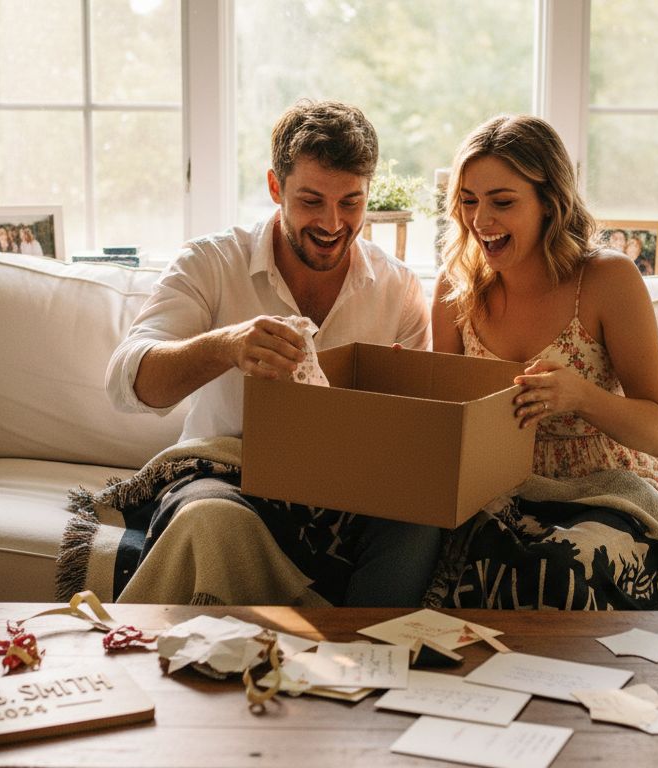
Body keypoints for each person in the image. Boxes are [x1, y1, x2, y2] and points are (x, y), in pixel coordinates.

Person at [106, 100, 437, 607]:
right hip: (227, 475)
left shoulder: (397, 286)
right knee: (211, 521)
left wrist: (394, 396)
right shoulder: (210, 262)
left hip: (350, 487)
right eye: (311, 201)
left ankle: (365, 667)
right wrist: (226, 345)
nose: (332, 223)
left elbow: (416, 440)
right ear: (275, 187)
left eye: (351, 203)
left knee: (423, 519)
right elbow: (128, 383)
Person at [432, 114, 658, 490]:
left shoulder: (608, 279)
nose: (480, 219)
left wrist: (580, 396)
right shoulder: (456, 286)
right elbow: (447, 425)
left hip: (606, 487)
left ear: (549, 202)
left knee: (567, 552)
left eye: (502, 202)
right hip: (498, 487)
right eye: (468, 200)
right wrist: (412, 388)